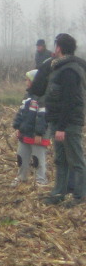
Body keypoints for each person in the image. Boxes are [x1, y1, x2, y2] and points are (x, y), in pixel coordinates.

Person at [42, 33, 85, 205]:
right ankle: (58, 193)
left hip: (68, 123)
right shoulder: (60, 67)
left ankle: (80, 195)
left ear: (59, 48)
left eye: (55, 45)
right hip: (58, 122)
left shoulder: (69, 70)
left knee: (76, 159)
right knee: (60, 159)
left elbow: (69, 100)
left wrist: (61, 127)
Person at [12, 69, 49, 187]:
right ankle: (21, 177)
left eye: (28, 80)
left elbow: (43, 117)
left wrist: (39, 133)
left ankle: (41, 180)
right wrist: (18, 127)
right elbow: (21, 112)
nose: (26, 82)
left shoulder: (43, 97)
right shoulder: (27, 96)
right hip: (25, 132)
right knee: (21, 156)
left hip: (37, 134)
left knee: (38, 158)